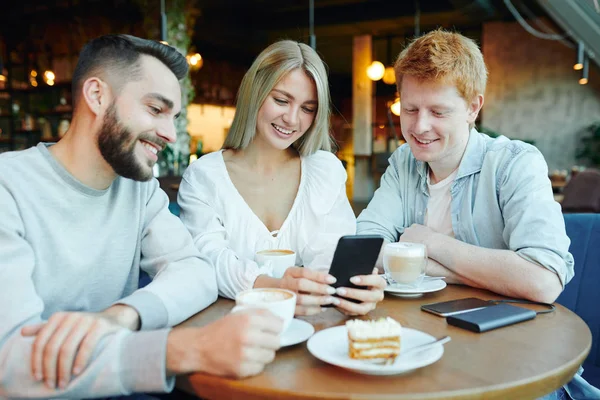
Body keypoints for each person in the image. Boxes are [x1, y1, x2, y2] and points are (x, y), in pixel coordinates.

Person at [0, 34, 283, 399]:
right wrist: (183, 350)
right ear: (97, 96)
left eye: (173, 116)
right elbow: (10, 364)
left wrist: (120, 316)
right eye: (155, 109)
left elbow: (196, 271)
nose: (169, 133)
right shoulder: (8, 187)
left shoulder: (138, 189)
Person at [356, 29, 598, 400]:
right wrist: (435, 265)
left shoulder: (515, 163)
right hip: (425, 342)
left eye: (438, 111)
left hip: (516, 357)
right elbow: (362, 247)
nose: (419, 127)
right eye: (410, 108)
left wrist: (429, 242)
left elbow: (544, 281)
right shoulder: (404, 162)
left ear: (473, 108)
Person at [178, 40, 386, 316]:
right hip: (228, 331)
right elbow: (207, 259)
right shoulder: (204, 177)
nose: (292, 118)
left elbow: (330, 255)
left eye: (307, 108)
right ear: (255, 93)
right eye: (281, 100)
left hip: (308, 332)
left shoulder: (322, 171)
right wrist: (273, 288)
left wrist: (351, 289)